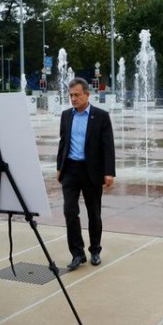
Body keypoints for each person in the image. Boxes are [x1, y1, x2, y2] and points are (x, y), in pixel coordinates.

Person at [56, 77, 115, 269]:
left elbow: (108, 147)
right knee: (69, 211)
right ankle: (77, 253)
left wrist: (109, 172)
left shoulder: (101, 116)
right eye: (71, 95)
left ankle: (95, 250)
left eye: (77, 95)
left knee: (94, 213)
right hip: (70, 170)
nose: (73, 99)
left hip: (92, 171)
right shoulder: (66, 116)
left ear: (87, 95)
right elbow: (63, 143)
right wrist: (59, 167)